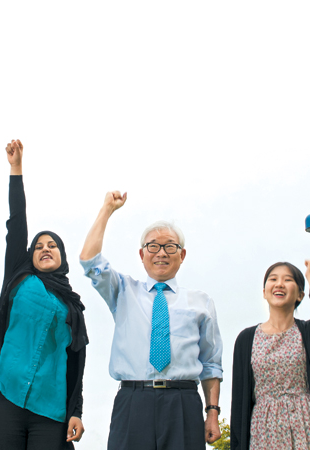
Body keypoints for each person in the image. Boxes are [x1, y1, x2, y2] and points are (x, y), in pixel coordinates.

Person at [0, 140, 88, 448]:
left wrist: (76, 412)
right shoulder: (20, 277)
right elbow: (17, 221)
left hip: (51, 407)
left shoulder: (73, 306)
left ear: (63, 257)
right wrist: (15, 168)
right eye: (39, 246)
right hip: (7, 393)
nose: (45, 249)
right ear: (29, 255)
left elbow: (76, 361)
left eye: (53, 246)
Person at [80, 192, 223, 450]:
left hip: (183, 402)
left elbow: (211, 363)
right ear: (142, 254)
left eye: (170, 246)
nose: (161, 252)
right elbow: (89, 261)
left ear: (182, 255)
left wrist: (212, 412)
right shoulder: (122, 291)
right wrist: (107, 209)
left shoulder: (201, 302)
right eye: (153, 246)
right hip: (133, 401)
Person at [230, 260, 310, 450]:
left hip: (305, 426)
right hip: (263, 430)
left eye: (287, 280)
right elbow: (239, 401)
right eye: (273, 279)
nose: (279, 284)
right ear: (264, 292)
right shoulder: (247, 339)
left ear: (300, 294)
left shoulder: (307, 333)